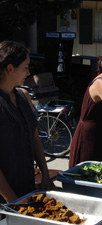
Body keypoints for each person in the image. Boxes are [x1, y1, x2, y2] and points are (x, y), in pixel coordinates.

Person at [0, 40, 55, 204]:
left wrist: (45, 174)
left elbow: (35, 137)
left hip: (26, 186)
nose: (29, 72)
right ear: (10, 68)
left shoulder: (24, 96)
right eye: (25, 67)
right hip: (6, 197)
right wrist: (13, 201)